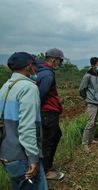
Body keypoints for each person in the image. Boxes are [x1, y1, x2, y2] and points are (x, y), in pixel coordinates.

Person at [0, 52, 48, 189]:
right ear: (28, 67)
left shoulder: (5, 87)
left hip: (7, 154)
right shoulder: (29, 88)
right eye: (34, 65)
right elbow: (27, 126)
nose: (36, 69)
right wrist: (33, 158)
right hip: (22, 156)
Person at [36, 48, 65, 180]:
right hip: (48, 112)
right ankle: (46, 170)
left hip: (45, 112)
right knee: (49, 141)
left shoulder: (39, 71)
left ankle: (45, 166)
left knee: (55, 136)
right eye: (59, 61)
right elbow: (42, 94)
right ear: (53, 60)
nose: (59, 64)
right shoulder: (48, 74)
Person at [79, 57, 98, 153]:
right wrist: (87, 98)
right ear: (93, 65)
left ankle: (91, 139)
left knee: (96, 121)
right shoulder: (87, 76)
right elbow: (81, 89)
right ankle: (84, 143)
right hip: (91, 102)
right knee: (90, 123)